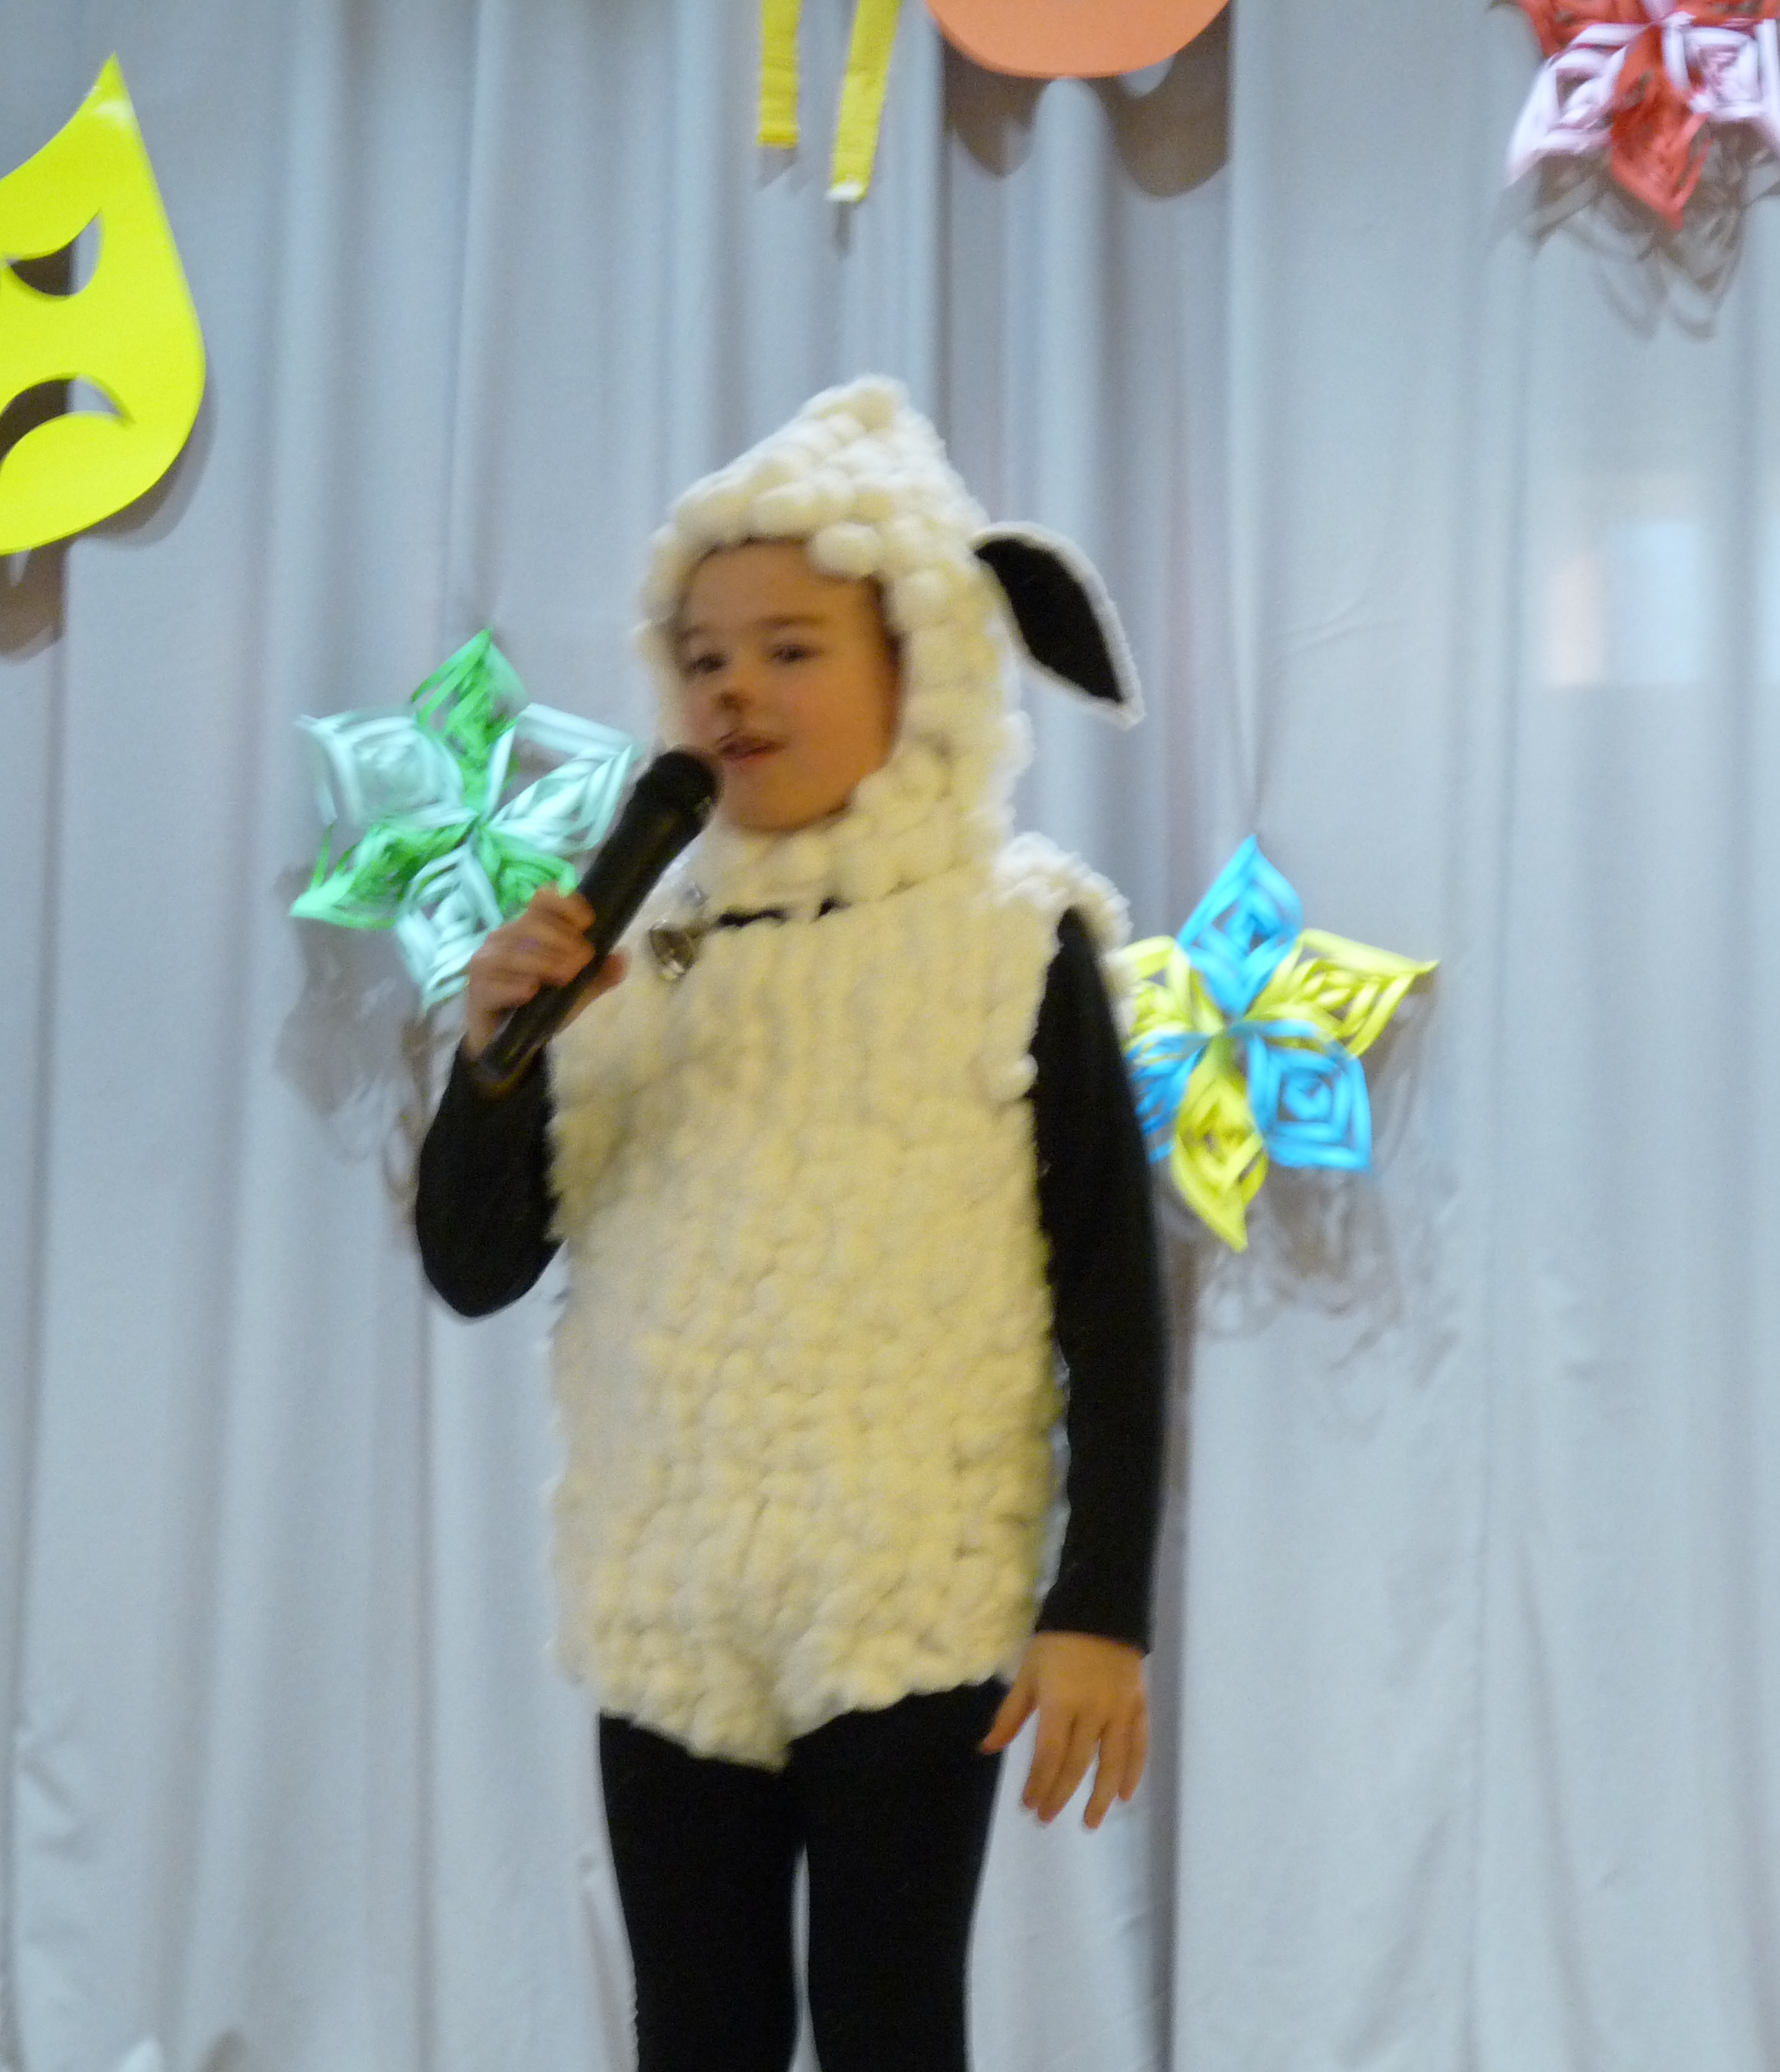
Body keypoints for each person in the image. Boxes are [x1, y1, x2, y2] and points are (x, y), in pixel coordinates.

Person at [414, 378, 1165, 2072]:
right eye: (701, 656)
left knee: (890, 2021)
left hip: (907, 1587)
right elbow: (476, 1266)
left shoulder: (1012, 937)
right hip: (672, 1587)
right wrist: (495, 1062)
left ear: (924, 661)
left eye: (791, 648)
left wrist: (1099, 1604)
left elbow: (1114, 1300)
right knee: (697, 2026)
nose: (733, 688)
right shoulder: (642, 950)